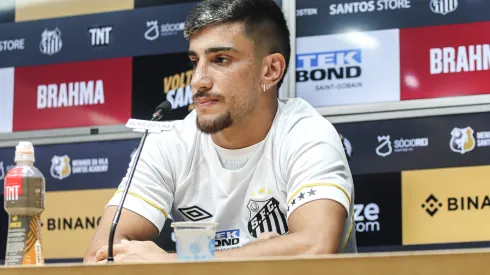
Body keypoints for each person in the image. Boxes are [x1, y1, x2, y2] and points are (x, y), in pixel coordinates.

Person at [84, 0, 356, 263]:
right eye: (195, 61)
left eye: (221, 59)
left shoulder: (305, 133)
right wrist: (262, 255)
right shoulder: (168, 143)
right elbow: (100, 256)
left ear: (271, 70)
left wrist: (175, 263)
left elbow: (315, 247)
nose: (198, 81)